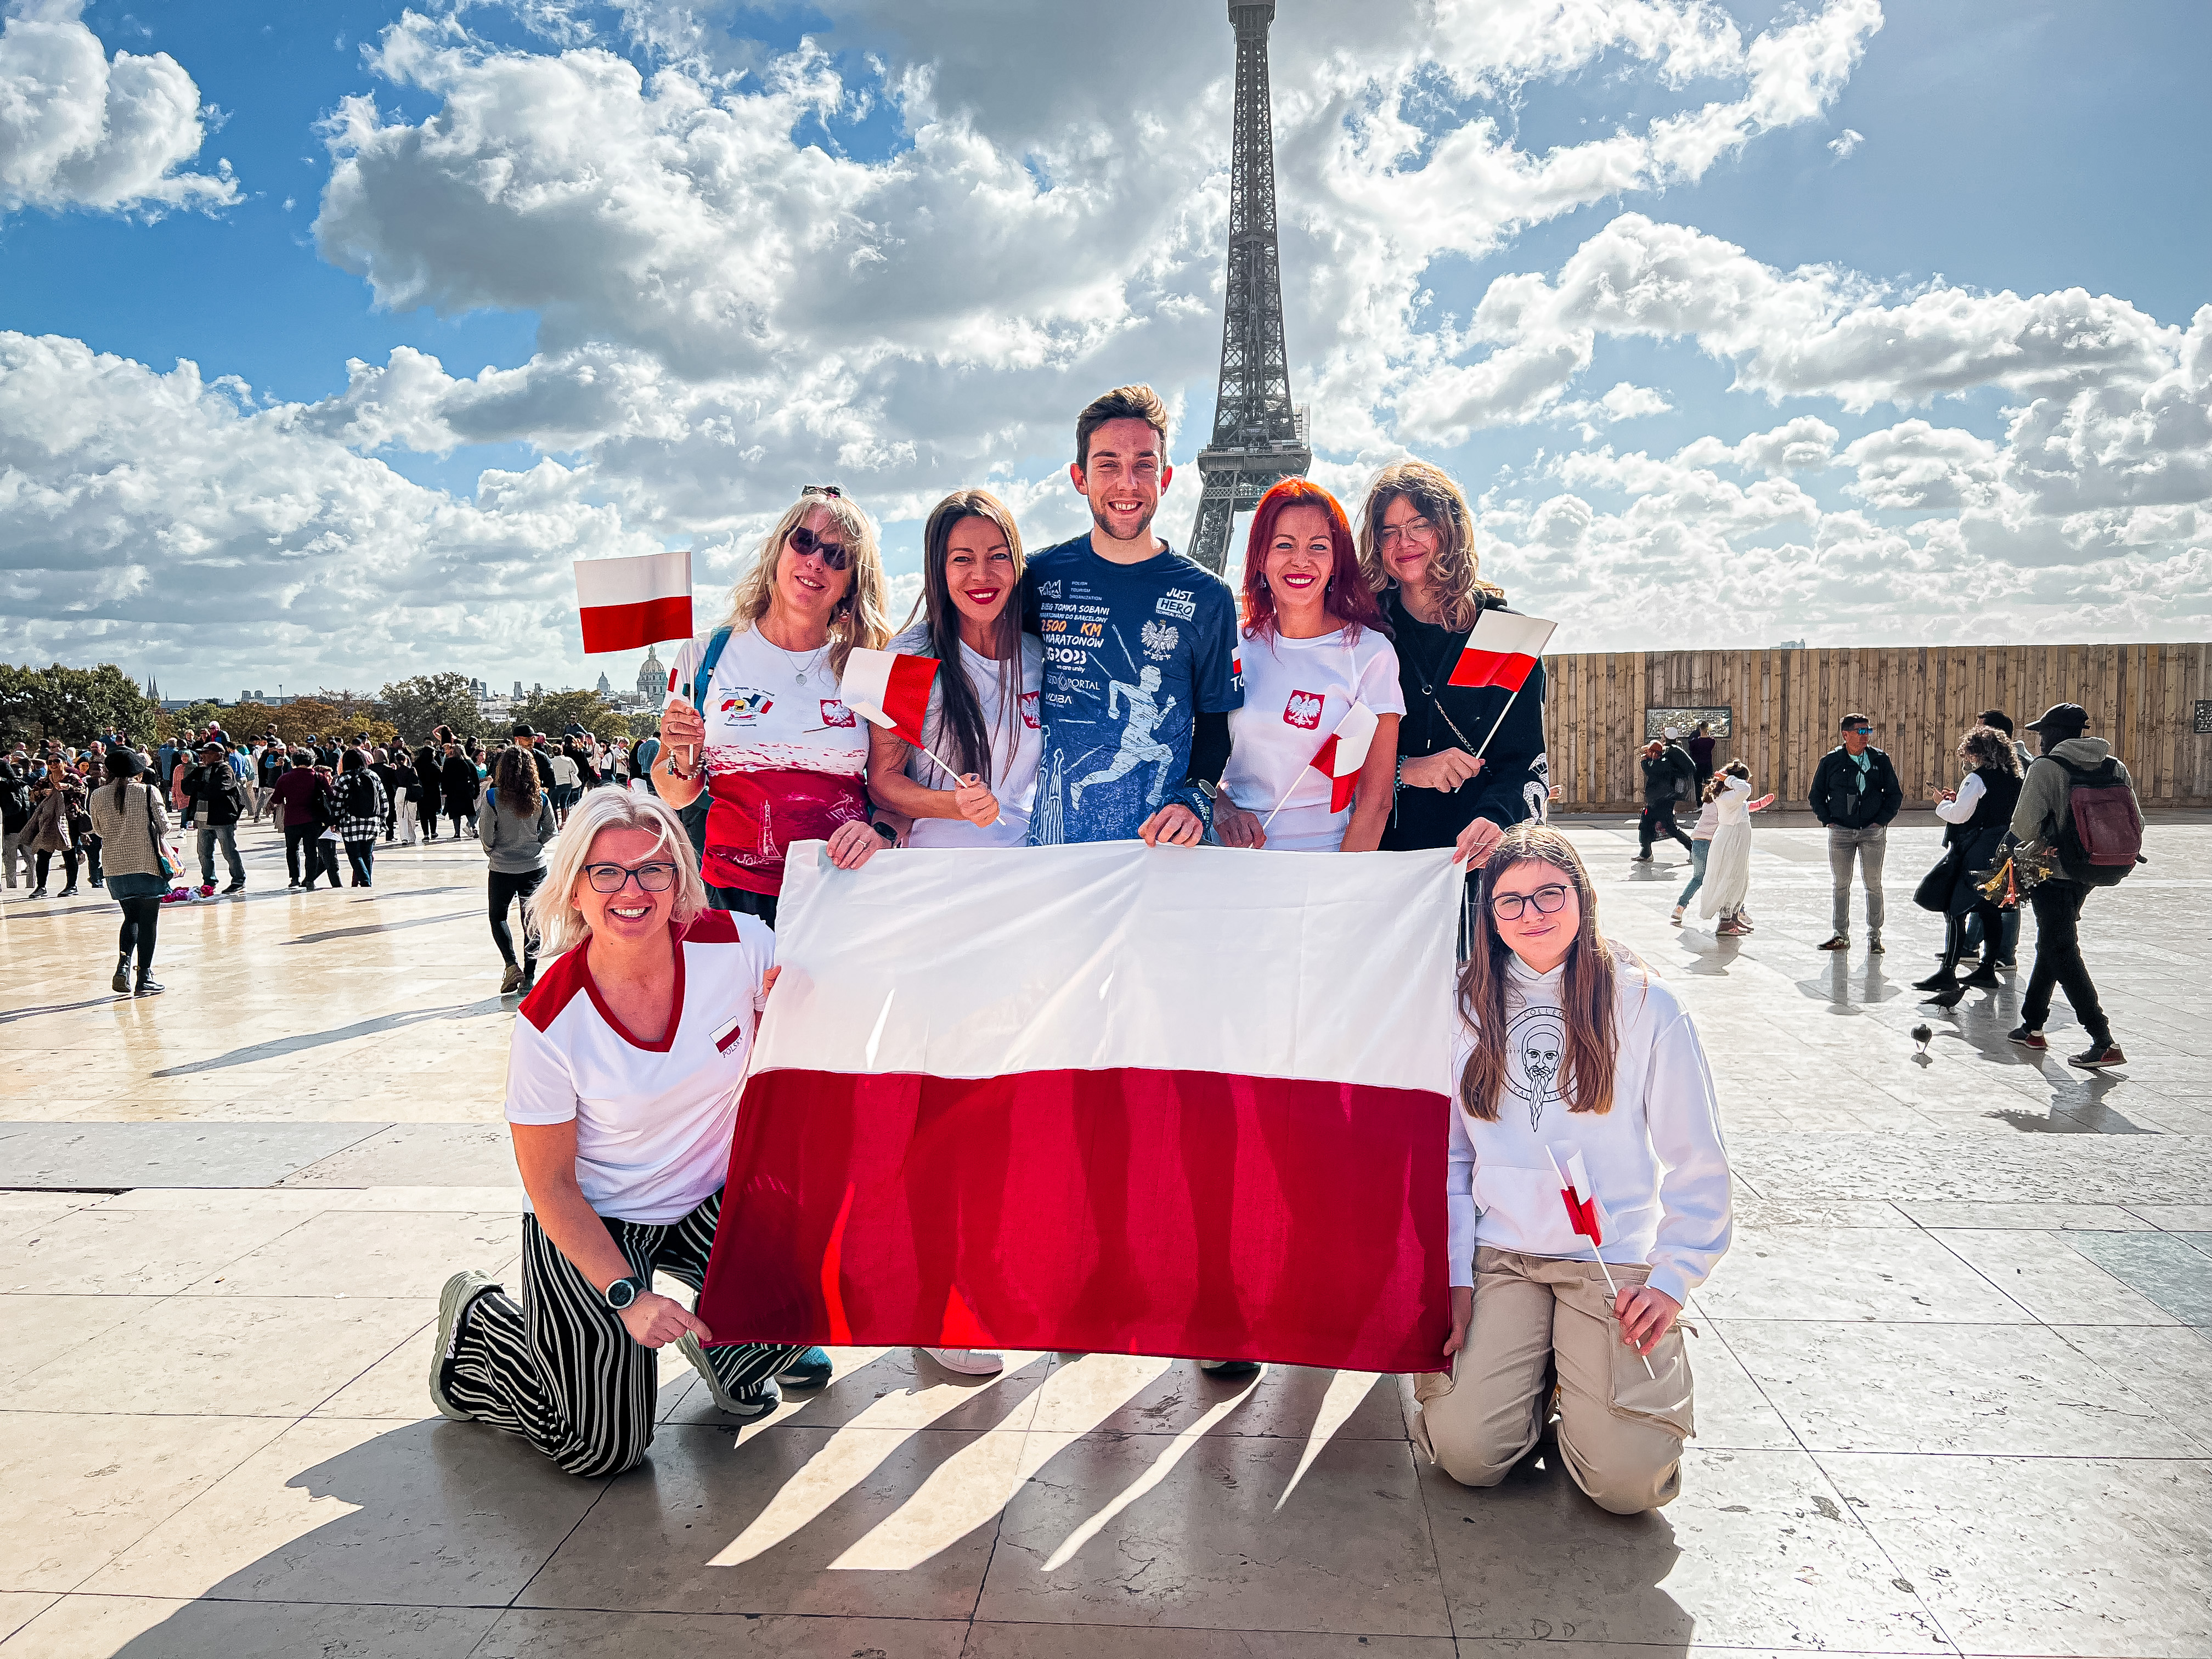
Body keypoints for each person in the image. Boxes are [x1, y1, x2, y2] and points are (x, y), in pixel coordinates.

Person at [430, 789, 809, 1476]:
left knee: (821, 1259)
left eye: (652, 870)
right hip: (597, 1216)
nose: (631, 890)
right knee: (600, 1447)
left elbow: (830, 1007)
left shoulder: (741, 946)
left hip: (708, 1199)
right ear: (575, 888)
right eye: (607, 872)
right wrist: (628, 1298)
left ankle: (729, 1356)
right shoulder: (550, 1021)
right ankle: (480, 1332)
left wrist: (802, 995)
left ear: (679, 881)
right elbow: (550, 1186)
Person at [1414, 823, 1730, 1514]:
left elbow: (1696, 1158)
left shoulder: (1646, 1004)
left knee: (1627, 1486)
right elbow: (1450, 1156)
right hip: (1505, 1255)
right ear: (1488, 917)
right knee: (1467, 1455)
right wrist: (1456, 1273)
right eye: (1510, 902)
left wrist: (1674, 1275)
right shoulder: (1464, 1006)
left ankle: (1589, 1387)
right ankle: (1536, 1378)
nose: (1532, 914)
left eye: (1549, 894)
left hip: (1607, 1257)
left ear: (1582, 896)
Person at [654, 484, 893, 922]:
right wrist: (680, 755)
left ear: (851, 583)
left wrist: (881, 833)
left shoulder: (869, 666)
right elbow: (676, 793)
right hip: (730, 895)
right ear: (777, 549)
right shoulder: (706, 655)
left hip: (841, 891)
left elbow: (895, 787)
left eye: (837, 556)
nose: (815, 561)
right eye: (804, 541)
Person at [1022, 385, 1242, 849]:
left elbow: (1216, 729)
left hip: (1165, 855)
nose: (1128, 483)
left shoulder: (1209, 597)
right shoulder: (1035, 579)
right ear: (1079, 477)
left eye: (1144, 464)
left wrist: (1194, 801)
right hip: (1056, 848)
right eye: (1108, 465)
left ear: (1165, 478)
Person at [1360, 460, 1551, 862]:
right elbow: (1326, 755)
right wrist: (1406, 770)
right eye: (1389, 531)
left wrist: (1495, 819)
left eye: (1419, 525)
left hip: (1475, 864)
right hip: (1381, 859)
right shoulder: (1363, 636)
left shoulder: (1509, 639)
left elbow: (1523, 764)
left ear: (1450, 530)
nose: (1404, 541)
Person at [1218, 478, 1403, 851]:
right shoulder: (1230, 646)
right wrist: (1222, 810)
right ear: (1260, 558)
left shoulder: (1370, 653)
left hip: (1324, 861)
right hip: (1233, 864)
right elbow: (1196, 764)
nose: (1300, 560)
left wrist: (1339, 891)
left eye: (1318, 547)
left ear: (1337, 563)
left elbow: (1376, 801)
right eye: (1283, 545)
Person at [866, 488, 1045, 859]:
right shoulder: (908, 656)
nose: (982, 575)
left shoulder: (1039, 656)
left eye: (998, 556)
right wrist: (954, 805)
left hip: (1027, 870)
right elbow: (883, 783)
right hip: (935, 871)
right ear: (939, 569)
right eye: (962, 559)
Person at [2007, 702, 2137, 1069]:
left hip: (2054, 873)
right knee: (2054, 940)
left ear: (2056, 733)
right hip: (2095, 870)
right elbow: (2137, 821)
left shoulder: (2048, 767)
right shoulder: (2114, 766)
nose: (2040, 738)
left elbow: (2025, 825)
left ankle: (2103, 1039)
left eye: (2043, 732)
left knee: (2061, 948)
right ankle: (2031, 1027)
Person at [1916, 725, 2025, 1008]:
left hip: (1977, 850)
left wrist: (1941, 804)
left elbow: (1960, 816)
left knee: (1955, 908)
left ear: (1976, 752)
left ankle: (1948, 973)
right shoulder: (2016, 778)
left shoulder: (1976, 779)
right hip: (2004, 851)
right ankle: (1987, 969)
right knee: (1992, 908)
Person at [1809, 712, 1901, 954]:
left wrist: (1880, 822)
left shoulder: (1880, 760)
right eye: (1860, 732)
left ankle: (1875, 936)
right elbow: (1816, 795)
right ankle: (1840, 935)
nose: (1865, 737)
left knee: (1873, 885)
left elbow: (1894, 794)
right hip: (1841, 833)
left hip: (1872, 833)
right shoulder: (1831, 762)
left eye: (1868, 731)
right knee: (1841, 885)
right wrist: (1828, 822)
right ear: (1846, 734)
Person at [88, 749, 172, 996]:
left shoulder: (97, 795)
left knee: (131, 918)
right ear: (137, 771)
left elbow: (99, 830)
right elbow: (165, 826)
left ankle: (123, 966)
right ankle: (144, 977)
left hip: (115, 867)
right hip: (146, 864)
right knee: (149, 922)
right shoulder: (147, 791)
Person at [481, 746, 558, 996]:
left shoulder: (493, 798)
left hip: (502, 867)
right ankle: (530, 977)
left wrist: (494, 851)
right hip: (534, 867)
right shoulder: (541, 798)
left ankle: (511, 964)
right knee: (532, 922)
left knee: (498, 916)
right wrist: (534, 844)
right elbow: (550, 830)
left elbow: (486, 835)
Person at [1958, 709, 2031, 969]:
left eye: (1981, 729)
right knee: (2004, 894)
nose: (1975, 734)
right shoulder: (2013, 762)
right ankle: (1991, 953)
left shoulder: (2010, 765)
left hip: (2002, 839)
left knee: (1996, 894)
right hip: (2014, 838)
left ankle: (1993, 953)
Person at [1694, 762, 1776, 935]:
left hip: (1734, 838)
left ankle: (1732, 918)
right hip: (1733, 840)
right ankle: (1725, 923)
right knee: (1731, 877)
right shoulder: (1728, 795)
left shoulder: (1730, 796)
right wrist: (1728, 778)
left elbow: (1745, 800)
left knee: (1739, 878)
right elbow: (1745, 789)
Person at [179, 740, 249, 894]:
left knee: (229, 851)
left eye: (206, 753)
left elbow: (217, 790)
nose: (202, 756)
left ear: (218, 755)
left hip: (222, 819)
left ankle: (239, 880)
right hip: (203, 820)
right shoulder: (200, 770)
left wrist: (199, 787)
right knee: (204, 853)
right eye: (201, 753)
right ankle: (209, 882)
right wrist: (200, 787)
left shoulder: (225, 770)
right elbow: (185, 787)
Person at [272, 748, 334, 888]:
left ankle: (294, 878)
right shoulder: (318, 777)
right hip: (313, 820)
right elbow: (330, 796)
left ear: (294, 762)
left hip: (291, 820)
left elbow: (277, 799)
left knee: (292, 850)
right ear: (312, 761)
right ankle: (310, 880)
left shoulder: (284, 778)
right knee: (311, 851)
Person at [24, 766, 87, 896]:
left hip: (69, 821)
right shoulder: (44, 780)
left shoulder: (72, 778)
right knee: (43, 853)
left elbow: (83, 792)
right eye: (50, 761)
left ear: (63, 763)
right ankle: (41, 887)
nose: (53, 764)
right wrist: (42, 793)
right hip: (48, 821)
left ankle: (72, 886)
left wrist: (68, 788)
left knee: (69, 853)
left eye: (57, 761)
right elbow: (32, 796)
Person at [334, 749, 388, 888]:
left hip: (350, 822)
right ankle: (367, 882)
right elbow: (384, 801)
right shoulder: (374, 776)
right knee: (367, 854)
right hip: (372, 821)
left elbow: (337, 803)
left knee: (354, 855)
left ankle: (365, 882)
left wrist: (335, 821)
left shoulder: (343, 778)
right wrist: (382, 819)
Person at [1636, 737, 1695, 861]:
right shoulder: (1658, 763)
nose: (1646, 754)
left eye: (1649, 751)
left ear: (1655, 753)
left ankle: (1693, 848)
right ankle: (1646, 853)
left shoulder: (1663, 764)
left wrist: (1646, 760)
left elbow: (1648, 769)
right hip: (1654, 803)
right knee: (1645, 825)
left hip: (1664, 803)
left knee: (1671, 828)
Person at [1, 746, 31, 889]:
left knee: (31, 861)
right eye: (16, 774)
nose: (19, 777)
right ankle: (12, 887)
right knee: (10, 861)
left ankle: (32, 886)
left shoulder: (26, 787)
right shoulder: (5, 787)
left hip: (26, 830)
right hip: (10, 831)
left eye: (21, 774)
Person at [441, 742, 481, 837]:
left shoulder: (449, 762)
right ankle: (474, 827)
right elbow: (475, 777)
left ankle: (457, 833)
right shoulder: (469, 761)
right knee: (470, 811)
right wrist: (477, 791)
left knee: (456, 813)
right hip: (467, 790)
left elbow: (445, 778)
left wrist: (444, 791)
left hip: (453, 791)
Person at [548, 741, 582, 827]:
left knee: (554, 805)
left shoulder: (551, 761)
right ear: (561, 751)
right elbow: (576, 771)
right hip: (567, 784)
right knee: (565, 803)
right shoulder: (568, 760)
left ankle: (556, 824)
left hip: (556, 785)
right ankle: (564, 823)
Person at [416, 737, 444, 840]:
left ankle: (426, 834)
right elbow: (440, 777)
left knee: (423, 814)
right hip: (433, 791)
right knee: (432, 814)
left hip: (422, 791)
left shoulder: (418, 763)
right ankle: (433, 832)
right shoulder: (434, 764)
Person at [393, 749, 422, 845]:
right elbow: (416, 781)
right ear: (406, 759)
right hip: (411, 793)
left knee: (402, 817)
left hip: (400, 792)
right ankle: (412, 836)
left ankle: (404, 838)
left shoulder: (396, 772)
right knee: (412, 816)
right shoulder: (412, 770)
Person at [1685, 721, 1716, 789]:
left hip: (1697, 764)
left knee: (1698, 784)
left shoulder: (1695, 742)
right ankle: (1708, 798)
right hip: (1708, 763)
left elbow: (1691, 749)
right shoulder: (1712, 741)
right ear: (1707, 728)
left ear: (1700, 729)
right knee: (1709, 783)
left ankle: (1699, 800)